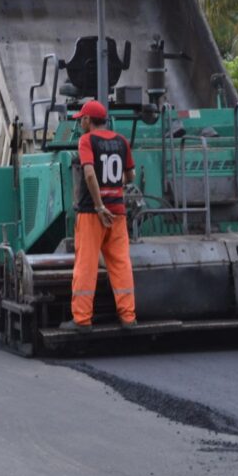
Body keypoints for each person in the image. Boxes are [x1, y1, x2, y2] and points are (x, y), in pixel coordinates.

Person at [68, 99, 138, 331]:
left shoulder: (87, 140)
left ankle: (82, 320)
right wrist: (113, 188)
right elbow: (131, 176)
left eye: (82, 120)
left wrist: (99, 206)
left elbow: (88, 174)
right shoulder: (122, 141)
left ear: (88, 120)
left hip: (93, 214)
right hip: (117, 212)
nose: (81, 124)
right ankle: (128, 317)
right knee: (120, 265)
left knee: (85, 266)